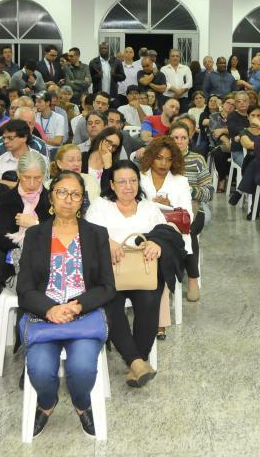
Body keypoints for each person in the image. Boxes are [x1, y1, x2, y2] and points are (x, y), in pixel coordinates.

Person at [16, 170, 114, 438]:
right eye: (62, 192)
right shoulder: (36, 234)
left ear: (82, 200)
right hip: (44, 316)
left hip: (83, 315)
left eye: (75, 194)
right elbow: (24, 288)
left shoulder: (96, 234)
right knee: (40, 370)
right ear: (51, 197)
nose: (68, 199)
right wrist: (49, 309)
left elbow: (107, 287)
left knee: (81, 369)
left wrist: (78, 305)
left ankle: (82, 405)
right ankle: (47, 403)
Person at [86, 162, 185, 387]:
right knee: (110, 303)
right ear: (112, 185)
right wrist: (105, 241)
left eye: (132, 181)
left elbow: (167, 232)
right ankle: (138, 363)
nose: (128, 186)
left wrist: (156, 243)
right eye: (122, 182)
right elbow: (87, 235)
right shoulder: (100, 206)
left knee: (149, 300)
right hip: (110, 273)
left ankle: (136, 363)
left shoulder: (149, 208)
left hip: (143, 271)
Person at [138, 137, 193, 337]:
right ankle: (149, 310)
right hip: (143, 230)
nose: (163, 163)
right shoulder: (139, 177)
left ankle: (159, 318)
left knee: (161, 255)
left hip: (171, 232)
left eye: (168, 159)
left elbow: (189, 215)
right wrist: (150, 205)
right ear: (151, 157)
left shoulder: (180, 181)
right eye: (159, 158)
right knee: (153, 251)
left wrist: (169, 205)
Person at [0, 151, 50, 306]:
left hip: (48, 261)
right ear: (18, 173)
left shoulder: (51, 199)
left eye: (37, 178)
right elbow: (4, 239)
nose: (32, 183)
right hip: (14, 264)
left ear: (44, 176)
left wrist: (35, 224)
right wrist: (40, 232)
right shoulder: (6, 199)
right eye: (26, 177)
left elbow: (59, 234)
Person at [169, 121, 212, 302]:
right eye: (175, 138)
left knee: (188, 230)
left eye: (183, 138)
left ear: (189, 139)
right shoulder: (162, 158)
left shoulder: (197, 159)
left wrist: (189, 190)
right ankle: (167, 278)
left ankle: (193, 278)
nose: (179, 141)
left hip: (194, 207)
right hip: (168, 209)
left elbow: (209, 192)